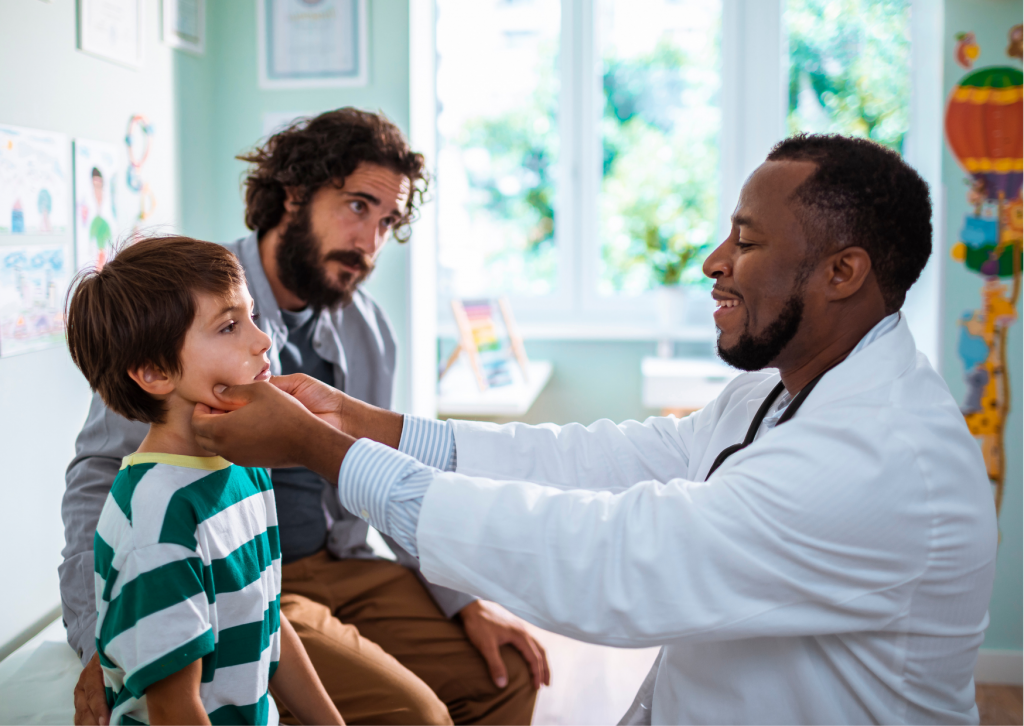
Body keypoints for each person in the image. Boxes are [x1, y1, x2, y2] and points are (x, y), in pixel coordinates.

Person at [192, 135, 999, 726]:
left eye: (747, 241)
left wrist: (326, 450)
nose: (713, 260)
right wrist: (385, 430)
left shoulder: (879, 460)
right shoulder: (778, 392)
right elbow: (611, 459)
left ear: (842, 274)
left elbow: (613, 560)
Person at [64, 108, 547, 726]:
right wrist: (96, 639)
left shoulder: (371, 331)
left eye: (388, 222)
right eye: (358, 207)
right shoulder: (186, 307)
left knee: (506, 676)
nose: (371, 243)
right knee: (416, 713)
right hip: (239, 572)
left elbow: (386, 470)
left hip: (338, 558)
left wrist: (460, 601)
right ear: (294, 195)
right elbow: (97, 486)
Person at [65, 236, 345, 726]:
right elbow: (177, 709)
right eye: (230, 326)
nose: (263, 341)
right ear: (154, 372)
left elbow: (266, 619)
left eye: (253, 317)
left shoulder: (245, 463)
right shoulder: (158, 516)